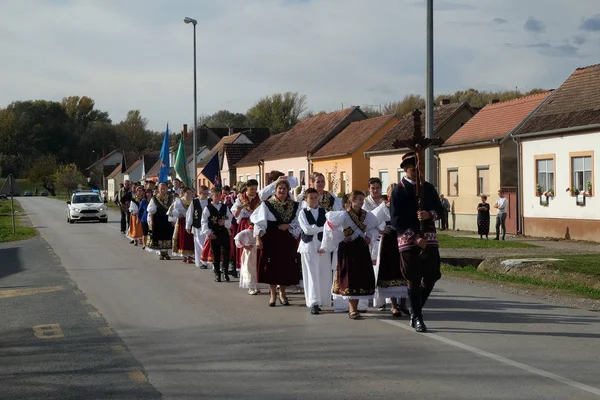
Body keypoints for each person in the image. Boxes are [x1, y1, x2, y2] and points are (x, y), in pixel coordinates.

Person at [390, 152, 444, 333]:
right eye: (414, 170)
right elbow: (396, 220)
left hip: (429, 240)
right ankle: (418, 317)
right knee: (413, 279)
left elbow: (440, 209)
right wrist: (414, 237)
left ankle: (415, 308)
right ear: (405, 170)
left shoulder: (428, 187)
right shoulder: (398, 191)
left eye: (420, 169)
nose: (418, 172)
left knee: (431, 277)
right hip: (409, 241)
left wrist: (430, 214)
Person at [321, 190, 378, 320]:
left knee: (359, 277)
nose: (361, 202)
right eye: (358, 199)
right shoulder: (343, 215)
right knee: (350, 277)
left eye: (362, 200)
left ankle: (355, 307)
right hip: (348, 249)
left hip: (361, 248)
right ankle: (352, 309)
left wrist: (369, 237)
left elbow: (373, 228)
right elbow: (329, 226)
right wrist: (341, 237)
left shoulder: (367, 215)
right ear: (352, 201)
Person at [251, 178, 301, 307]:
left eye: (284, 188)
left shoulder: (294, 205)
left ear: (288, 190)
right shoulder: (267, 204)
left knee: (285, 266)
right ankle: (273, 294)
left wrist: (288, 226)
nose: (282, 191)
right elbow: (259, 222)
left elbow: (298, 221)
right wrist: (258, 238)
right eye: (280, 188)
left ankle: (282, 293)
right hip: (271, 238)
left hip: (286, 239)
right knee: (272, 266)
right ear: (275, 190)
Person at [372, 185, 409, 317]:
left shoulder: (405, 207)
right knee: (392, 270)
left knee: (405, 270)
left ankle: (403, 303)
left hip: (404, 239)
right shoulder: (383, 208)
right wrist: (380, 230)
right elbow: (370, 219)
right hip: (390, 242)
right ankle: (394, 305)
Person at [298, 188, 334, 315]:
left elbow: (329, 229)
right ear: (306, 199)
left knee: (324, 274)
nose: (313, 200)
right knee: (312, 275)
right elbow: (307, 230)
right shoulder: (302, 213)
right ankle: (313, 302)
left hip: (322, 246)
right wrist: (321, 228)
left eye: (315, 197)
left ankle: (323, 300)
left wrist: (319, 229)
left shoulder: (324, 211)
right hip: (308, 246)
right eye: (310, 198)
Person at [201, 187, 233, 282]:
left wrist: (225, 221)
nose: (218, 197)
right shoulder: (208, 208)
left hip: (224, 232)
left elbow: (230, 218)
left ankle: (225, 272)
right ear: (212, 196)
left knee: (226, 252)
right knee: (216, 253)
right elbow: (204, 222)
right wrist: (208, 233)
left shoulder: (224, 207)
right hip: (214, 233)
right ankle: (217, 273)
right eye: (216, 195)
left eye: (219, 195)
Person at [231, 179, 261, 274]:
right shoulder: (241, 199)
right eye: (251, 189)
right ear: (247, 188)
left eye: (255, 189)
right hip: (244, 225)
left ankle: (256, 267)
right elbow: (235, 214)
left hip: (256, 224)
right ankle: (244, 268)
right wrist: (239, 209)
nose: (253, 191)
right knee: (246, 246)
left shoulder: (259, 198)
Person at [147, 182, 175, 260]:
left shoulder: (170, 198)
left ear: (167, 188)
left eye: (164, 188)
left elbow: (173, 210)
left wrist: (173, 220)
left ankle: (166, 252)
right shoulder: (154, 198)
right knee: (159, 235)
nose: (162, 190)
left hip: (167, 219)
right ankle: (162, 253)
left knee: (167, 235)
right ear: (158, 189)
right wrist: (151, 221)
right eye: (161, 188)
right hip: (158, 219)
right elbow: (150, 210)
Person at [186, 185, 210, 268]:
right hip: (197, 226)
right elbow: (189, 214)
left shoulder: (210, 201)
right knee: (199, 244)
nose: (206, 195)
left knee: (207, 244)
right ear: (200, 193)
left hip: (208, 226)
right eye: (205, 193)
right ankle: (200, 262)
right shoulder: (195, 202)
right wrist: (188, 225)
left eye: (207, 193)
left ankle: (208, 260)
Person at [171, 187, 196, 263]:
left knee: (191, 238)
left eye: (190, 192)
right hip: (182, 221)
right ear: (184, 193)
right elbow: (172, 211)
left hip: (191, 222)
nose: (189, 194)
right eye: (187, 192)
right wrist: (178, 214)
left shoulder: (194, 201)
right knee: (183, 238)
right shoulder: (179, 201)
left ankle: (191, 256)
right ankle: (184, 255)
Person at [234, 221, 260, 295]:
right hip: (250, 253)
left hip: (256, 252)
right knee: (249, 269)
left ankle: (256, 287)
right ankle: (251, 287)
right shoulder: (247, 232)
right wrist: (245, 246)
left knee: (255, 269)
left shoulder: (258, 232)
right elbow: (237, 239)